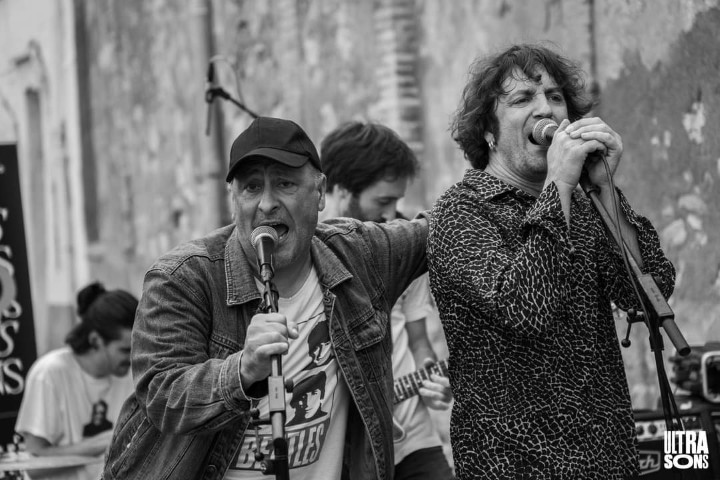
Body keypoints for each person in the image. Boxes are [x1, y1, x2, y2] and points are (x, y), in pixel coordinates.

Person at [101, 116, 428, 480]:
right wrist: (241, 371)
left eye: (285, 183)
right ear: (233, 200)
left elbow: (444, 226)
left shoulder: (359, 254)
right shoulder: (183, 278)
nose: (267, 204)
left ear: (320, 192)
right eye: (252, 187)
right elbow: (162, 395)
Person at [426, 43, 676, 479]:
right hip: (514, 464)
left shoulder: (584, 203)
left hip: (606, 458)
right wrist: (559, 183)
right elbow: (525, 309)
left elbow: (648, 294)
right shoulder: (461, 211)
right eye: (523, 98)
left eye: (555, 97)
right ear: (488, 131)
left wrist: (605, 190)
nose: (546, 109)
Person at [319, 121, 454, 480]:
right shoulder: (306, 259)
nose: (392, 214)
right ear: (342, 191)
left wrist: (432, 379)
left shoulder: (403, 249)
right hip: (344, 451)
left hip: (414, 438)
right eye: (382, 201)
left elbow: (418, 339)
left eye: (396, 201)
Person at [15, 282, 137, 480]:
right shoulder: (49, 373)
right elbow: (33, 465)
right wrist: (102, 442)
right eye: (125, 350)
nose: (133, 357)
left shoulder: (133, 374)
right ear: (95, 340)